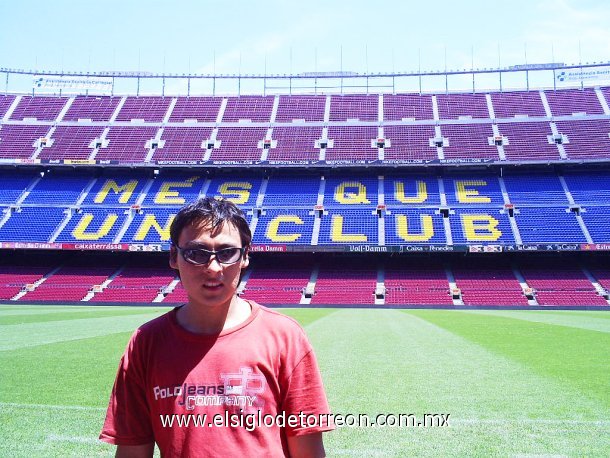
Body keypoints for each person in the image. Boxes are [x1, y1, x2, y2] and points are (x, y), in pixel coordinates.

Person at [100, 197, 333, 457]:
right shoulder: (146, 343)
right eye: (196, 254)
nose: (213, 268)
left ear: (245, 256)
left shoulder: (285, 337)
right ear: (174, 256)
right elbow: (133, 451)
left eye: (226, 253)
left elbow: (308, 451)